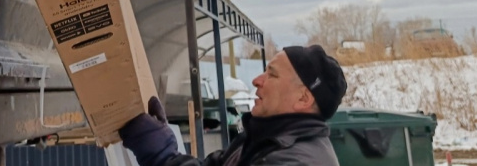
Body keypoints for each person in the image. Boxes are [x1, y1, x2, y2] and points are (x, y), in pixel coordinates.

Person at [120, 46, 348, 166]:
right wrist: (165, 154)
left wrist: (161, 154)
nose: (256, 80)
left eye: (272, 74)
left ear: (303, 99)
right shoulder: (260, 141)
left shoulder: (297, 161)